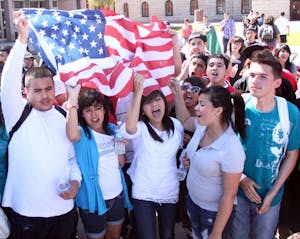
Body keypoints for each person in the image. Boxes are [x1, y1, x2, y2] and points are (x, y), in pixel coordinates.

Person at [1, 13, 82, 239]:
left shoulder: (63, 115)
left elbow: (71, 158)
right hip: (27, 215)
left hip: (65, 213)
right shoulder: (17, 114)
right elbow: (7, 83)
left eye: (49, 89)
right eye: (37, 91)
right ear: (26, 93)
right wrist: (22, 40)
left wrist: (76, 183)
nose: (45, 95)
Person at [228, 50, 300, 239]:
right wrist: (242, 179)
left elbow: (292, 154)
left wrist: (273, 193)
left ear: (277, 82)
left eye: (263, 77)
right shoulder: (238, 105)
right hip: (236, 191)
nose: (254, 81)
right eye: (251, 75)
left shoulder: (290, 113)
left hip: (271, 195)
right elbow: (225, 146)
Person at [169, 81, 246, 239]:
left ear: (218, 111)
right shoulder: (202, 126)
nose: (196, 108)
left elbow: (229, 196)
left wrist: (217, 232)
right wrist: (177, 92)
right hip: (193, 204)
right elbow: (184, 120)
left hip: (212, 215)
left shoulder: (232, 148)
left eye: (202, 104)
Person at [65, 83, 132, 239]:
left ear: (104, 109)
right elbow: (71, 135)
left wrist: (120, 146)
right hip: (92, 201)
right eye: (88, 110)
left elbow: (120, 164)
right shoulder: (81, 134)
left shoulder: (113, 130)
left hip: (117, 196)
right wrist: (72, 101)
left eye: (97, 108)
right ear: (82, 114)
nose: (94, 114)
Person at [123, 74, 184, 239]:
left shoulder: (176, 126)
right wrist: (137, 93)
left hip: (169, 192)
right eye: (148, 102)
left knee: (167, 235)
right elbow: (129, 128)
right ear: (143, 109)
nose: (154, 105)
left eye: (157, 99)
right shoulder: (140, 128)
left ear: (164, 102)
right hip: (143, 193)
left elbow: (184, 152)